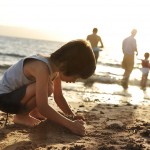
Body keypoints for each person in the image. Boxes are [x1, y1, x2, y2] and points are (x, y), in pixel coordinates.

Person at [0, 39, 96, 136]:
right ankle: (21, 116)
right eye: (75, 77)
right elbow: (43, 107)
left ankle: (34, 113)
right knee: (49, 87)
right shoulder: (42, 68)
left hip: (15, 98)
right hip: (4, 99)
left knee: (47, 86)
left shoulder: (55, 69)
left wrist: (72, 117)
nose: (74, 81)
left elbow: (58, 97)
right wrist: (71, 125)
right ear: (65, 65)